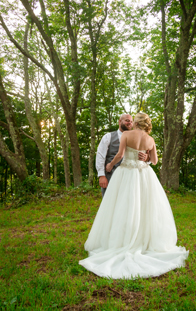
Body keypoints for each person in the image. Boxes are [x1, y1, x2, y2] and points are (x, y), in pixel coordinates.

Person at [80, 113, 189, 279]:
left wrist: (110, 165)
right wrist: (145, 157)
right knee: (145, 207)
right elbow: (154, 161)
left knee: (123, 206)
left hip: (126, 173)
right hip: (144, 175)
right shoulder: (150, 140)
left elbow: (120, 155)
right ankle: (144, 241)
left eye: (132, 120)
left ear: (136, 123)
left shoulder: (126, 135)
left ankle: (122, 240)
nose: (130, 123)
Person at [95, 114, 149, 196]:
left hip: (130, 177)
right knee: (109, 202)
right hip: (111, 176)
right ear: (120, 121)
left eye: (131, 122)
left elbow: (148, 157)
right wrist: (101, 175)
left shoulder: (138, 138)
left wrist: (146, 158)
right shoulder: (108, 137)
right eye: (127, 120)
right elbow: (100, 156)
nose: (129, 123)